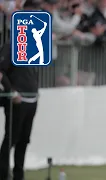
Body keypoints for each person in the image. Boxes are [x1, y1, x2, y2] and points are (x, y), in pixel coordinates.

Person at [0, 1, 41, 180]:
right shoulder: (11, 45)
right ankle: (2, 174)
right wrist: (12, 91)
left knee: (24, 140)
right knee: (11, 139)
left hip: (32, 98)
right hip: (17, 99)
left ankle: (19, 175)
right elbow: (1, 71)